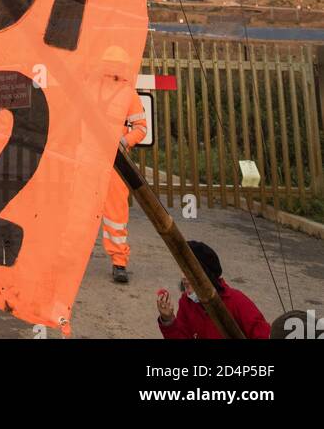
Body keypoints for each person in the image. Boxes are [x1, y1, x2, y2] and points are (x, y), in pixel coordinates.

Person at [156, 241, 271, 339]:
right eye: (182, 270)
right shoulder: (186, 302)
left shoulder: (236, 301)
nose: (183, 277)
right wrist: (168, 320)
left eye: (188, 271)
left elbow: (264, 335)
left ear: (206, 274)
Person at [100, 58, 148, 284]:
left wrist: (124, 141)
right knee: (78, 211)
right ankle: (69, 263)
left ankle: (119, 262)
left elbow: (141, 128)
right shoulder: (92, 89)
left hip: (115, 162)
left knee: (116, 213)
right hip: (91, 157)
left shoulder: (128, 94)